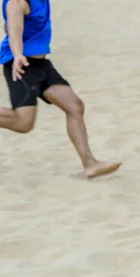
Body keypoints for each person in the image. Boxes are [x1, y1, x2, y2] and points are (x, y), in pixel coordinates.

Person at [0, 0, 121, 178]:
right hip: (22, 65)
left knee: (74, 106)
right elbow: (13, 29)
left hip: (41, 65)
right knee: (23, 123)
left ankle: (90, 164)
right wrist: (17, 55)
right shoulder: (17, 2)